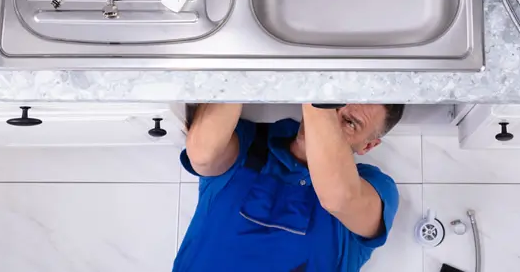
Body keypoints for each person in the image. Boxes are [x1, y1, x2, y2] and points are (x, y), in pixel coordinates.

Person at [173, 103, 405, 272]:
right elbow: (202, 154)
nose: (328, 125)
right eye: (333, 105)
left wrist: (320, 86)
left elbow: (340, 197)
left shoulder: (374, 187)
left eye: (350, 122)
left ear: (368, 146)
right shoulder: (250, 142)